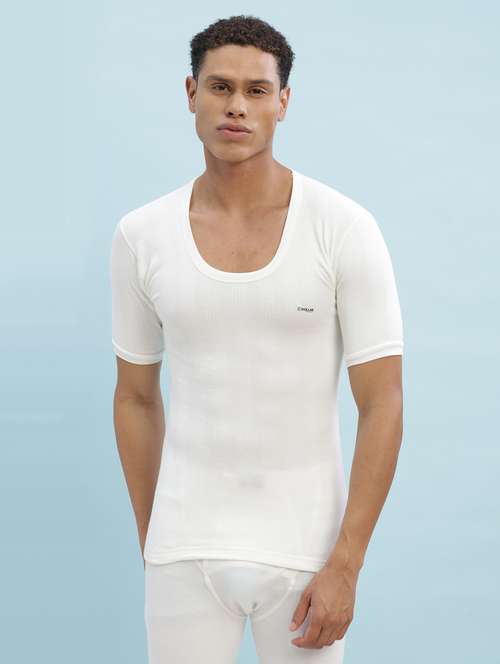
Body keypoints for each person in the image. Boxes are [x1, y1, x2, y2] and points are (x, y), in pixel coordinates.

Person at [110, 14, 404, 664]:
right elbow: (134, 396)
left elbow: (383, 400)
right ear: (191, 93)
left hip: (307, 554)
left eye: (256, 90)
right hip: (184, 548)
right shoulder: (142, 236)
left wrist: (347, 563)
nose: (237, 106)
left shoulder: (343, 228)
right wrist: (156, 540)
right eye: (220, 87)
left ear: (283, 102)